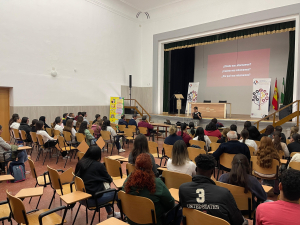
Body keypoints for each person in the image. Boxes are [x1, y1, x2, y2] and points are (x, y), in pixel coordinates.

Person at [179, 154, 245, 225]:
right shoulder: (224, 193)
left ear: (196, 169)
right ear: (212, 172)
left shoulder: (183, 189)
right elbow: (238, 221)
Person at [123, 153, 181, 225]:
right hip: (155, 222)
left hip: (132, 220)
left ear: (135, 166)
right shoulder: (157, 183)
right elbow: (170, 203)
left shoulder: (128, 179)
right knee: (179, 210)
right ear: (151, 167)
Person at [75, 146, 120, 219]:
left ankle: (110, 213)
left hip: (81, 198)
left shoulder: (80, 163)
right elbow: (109, 179)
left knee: (102, 188)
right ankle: (126, 217)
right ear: (98, 155)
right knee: (118, 194)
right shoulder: (99, 165)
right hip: (92, 200)